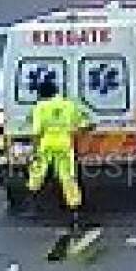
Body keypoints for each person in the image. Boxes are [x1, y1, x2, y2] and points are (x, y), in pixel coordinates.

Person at [27, 76, 93, 229]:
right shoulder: (69, 105)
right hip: (65, 143)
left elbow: (37, 131)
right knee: (67, 176)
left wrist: (35, 149)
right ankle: (74, 210)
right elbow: (83, 123)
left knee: (38, 173)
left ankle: (33, 204)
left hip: (47, 143)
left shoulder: (40, 107)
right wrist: (85, 128)